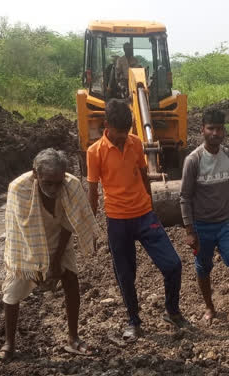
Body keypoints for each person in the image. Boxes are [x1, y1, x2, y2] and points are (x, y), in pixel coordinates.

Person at [87, 98, 188, 342]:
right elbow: (92, 193)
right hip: (117, 221)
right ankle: (134, 320)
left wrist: (151, 207)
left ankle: (172, 312)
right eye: (119, 133)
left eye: (127, 132)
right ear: (106, 125)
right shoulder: (94, 152)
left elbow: (143, 175)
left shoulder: (135, 144)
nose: (123, 138)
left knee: (173, 264)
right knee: (125, 274)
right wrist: (90, 227)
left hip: (144, 216)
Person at [0, 149, 102, 362]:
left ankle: (73, 338)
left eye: (58, 183)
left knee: (71, 278)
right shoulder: (18, 189)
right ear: (36, 174)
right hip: (25, 241)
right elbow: (20, 229)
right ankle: (9, 343)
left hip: (57, 236)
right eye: (48, 183)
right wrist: (37, 266)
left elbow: (69, 224)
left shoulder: (71, 185)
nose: (54, 189)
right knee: (13, 290)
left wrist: (54, 261)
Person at [180, 108, 229, 325]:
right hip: (202, 226)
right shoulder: (194, 160)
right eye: (211, 128)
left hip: (225, 223)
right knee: (203, 266)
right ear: (202, 130)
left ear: (224, 132)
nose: (215, 133)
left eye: (219, 129)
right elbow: (185, 197)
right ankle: (210, 308)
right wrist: (190, 231)